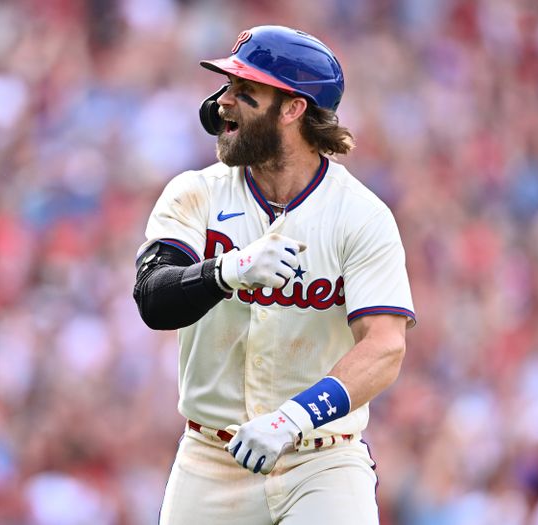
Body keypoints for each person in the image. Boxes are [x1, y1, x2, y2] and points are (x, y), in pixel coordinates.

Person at [133, 25, 416, 525]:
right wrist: (226, 270)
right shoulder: (195, 193)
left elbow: (385, 346)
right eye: (226, 88)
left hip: (322, 458)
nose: (223, 103)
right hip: (210, 457)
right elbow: (153, 300)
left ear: (292, 108)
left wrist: (295, 417)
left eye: (245, 92)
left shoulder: (360, 216)